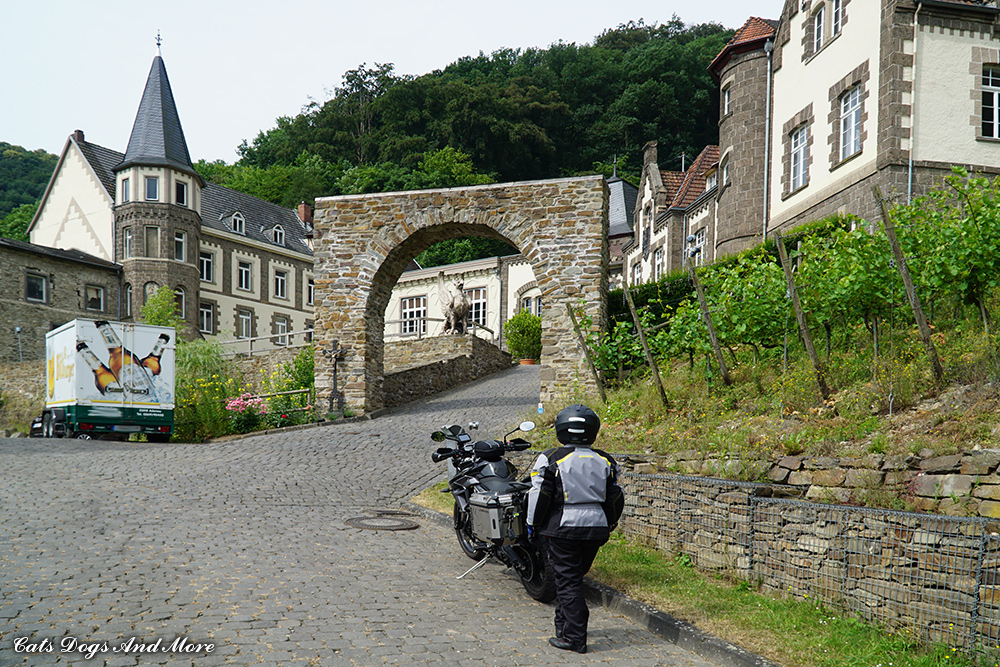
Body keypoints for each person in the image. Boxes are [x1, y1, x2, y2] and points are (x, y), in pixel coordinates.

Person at [526, 404, 625, 654]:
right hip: (596, 528)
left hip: (563, 527)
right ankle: (564, 626)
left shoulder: (550, 458)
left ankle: (575, 638)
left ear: (561, 430)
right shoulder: (606, 460)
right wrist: (611, 523)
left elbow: (540, 494)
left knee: (568, 582)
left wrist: (532, 524)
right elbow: (614, 495)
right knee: (572, 578)